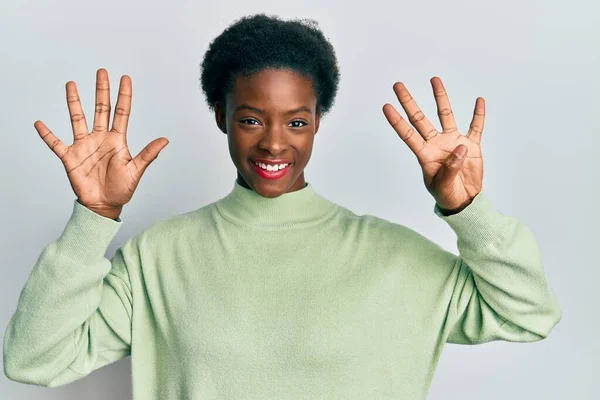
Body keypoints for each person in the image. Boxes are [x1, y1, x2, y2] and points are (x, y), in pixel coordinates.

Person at [3, 13, 561, 399]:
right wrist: (93, 219)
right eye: (250, 119)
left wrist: (471, 211)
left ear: (318, 122)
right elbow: (35, 359)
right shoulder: (158, 258)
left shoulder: (394, 256)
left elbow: (528, 312)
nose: (274, 142)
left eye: (297, 121)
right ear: (220, 118)